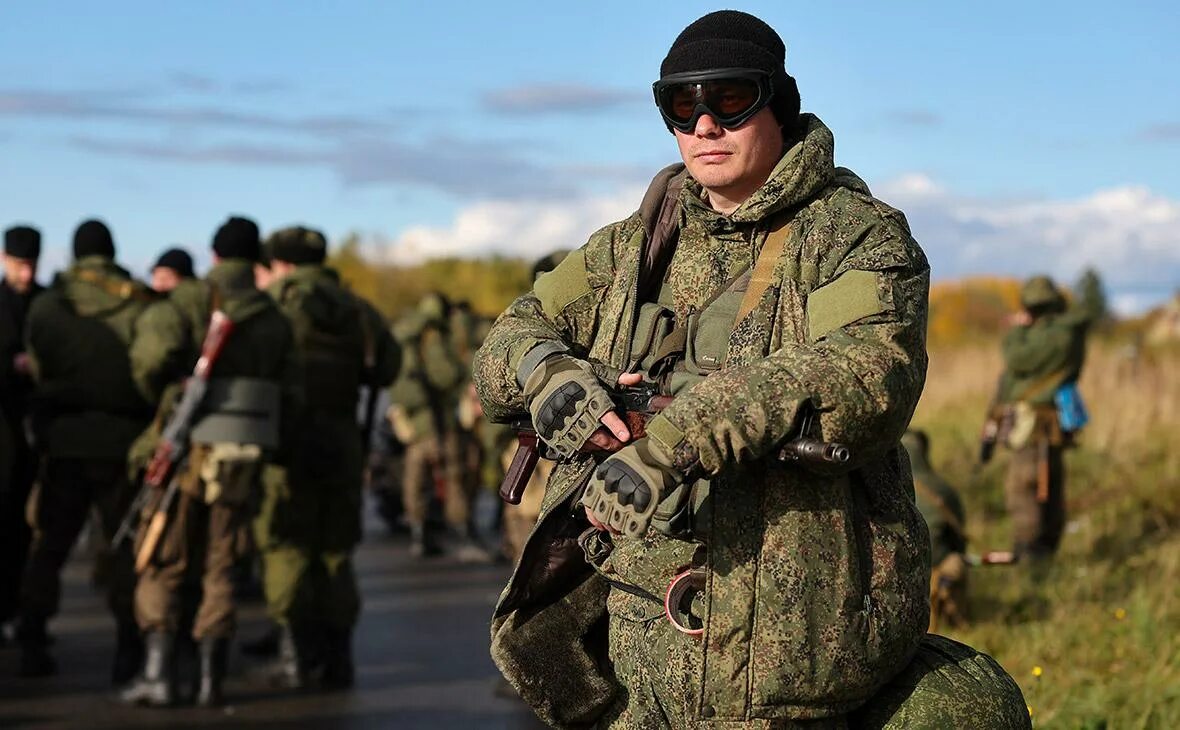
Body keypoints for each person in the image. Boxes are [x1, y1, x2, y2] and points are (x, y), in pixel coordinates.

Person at [474, 10, 1028, 728]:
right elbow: (508, 340)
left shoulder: (854, 235)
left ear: (779, 103)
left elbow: (866, 378)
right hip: (632, 660)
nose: (705, 125)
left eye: (729, 100)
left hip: (793, 658)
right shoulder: (629, 251)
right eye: (682, 104)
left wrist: (679, 438)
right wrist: (547, 371)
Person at [120, 216, 299, 707]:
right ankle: (210, 679)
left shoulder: (189, 301)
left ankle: (159, 675)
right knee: (222, 566)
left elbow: (147, 361)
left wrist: (166, 394)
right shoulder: (274, 319)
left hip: (186, 454)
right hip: (243, 458)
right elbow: (292, 390)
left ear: (215, 256)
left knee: (163, 558)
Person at [257, 225, 399, 690]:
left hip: (288, 440)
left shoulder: (275, 301)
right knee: (336, 549)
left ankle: (296, 657)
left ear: (281, 263)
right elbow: (388, 364)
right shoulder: (355, 308)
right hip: (341, 438)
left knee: (287, 545)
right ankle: (339, 659)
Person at [17, 219, 155, 683]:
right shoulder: (137, 301)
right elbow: (152, 367)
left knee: (49, 545)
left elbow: (37, 366)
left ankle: (31, 638)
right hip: (123, 444)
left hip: (66, 441)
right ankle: (128, 648)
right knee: (121, 548)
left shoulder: (50, 305)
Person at [981, 270, 1103, 560]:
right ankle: (1044, 549)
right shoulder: (1065, 332)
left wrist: (1018, 329)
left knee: (1023, 488)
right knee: (1048, 485)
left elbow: (1017, 359)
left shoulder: (1053, 335)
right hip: (1050, 422)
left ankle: (1031, 552)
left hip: (1035, 423)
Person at [388, 293, 465, 558]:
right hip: (436, 417)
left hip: (412, 417)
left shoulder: (406, 330)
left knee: (416, 476)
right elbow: (445, 375)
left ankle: (419, 533)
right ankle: (461, 531)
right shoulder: (433, 336)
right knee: (454, 472)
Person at [0, 225, 45, 639]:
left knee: (30, 531)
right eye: (19, 265)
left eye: (30, 265)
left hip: (37, 432)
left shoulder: (47, 304)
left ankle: (23, 613)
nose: (26, 275)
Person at [901, 429, 969, 631]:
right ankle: (956, 616)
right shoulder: (943, 488)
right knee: (956, 562)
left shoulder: (889, 491)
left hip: (906, 574)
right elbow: (959, 539)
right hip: (943, 569)